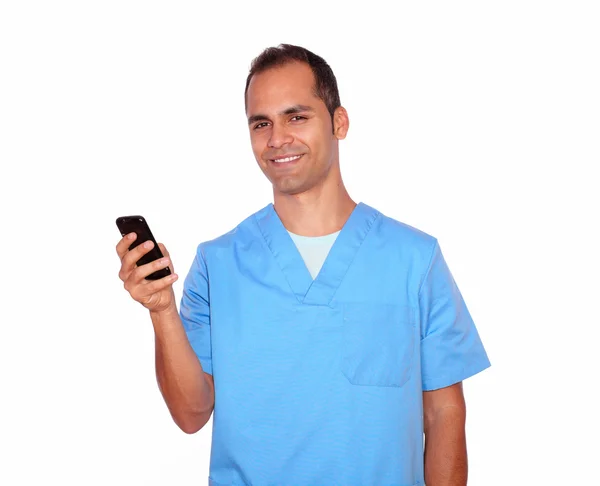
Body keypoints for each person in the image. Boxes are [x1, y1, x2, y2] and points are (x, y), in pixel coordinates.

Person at [116, 44, 490, 486]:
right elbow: (191, 414)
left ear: (339, 122)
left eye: (297, 117)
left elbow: (444, 411)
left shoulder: (414, 259)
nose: (277, 139)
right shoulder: (217, 265)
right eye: (261, 123)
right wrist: (161, 309)